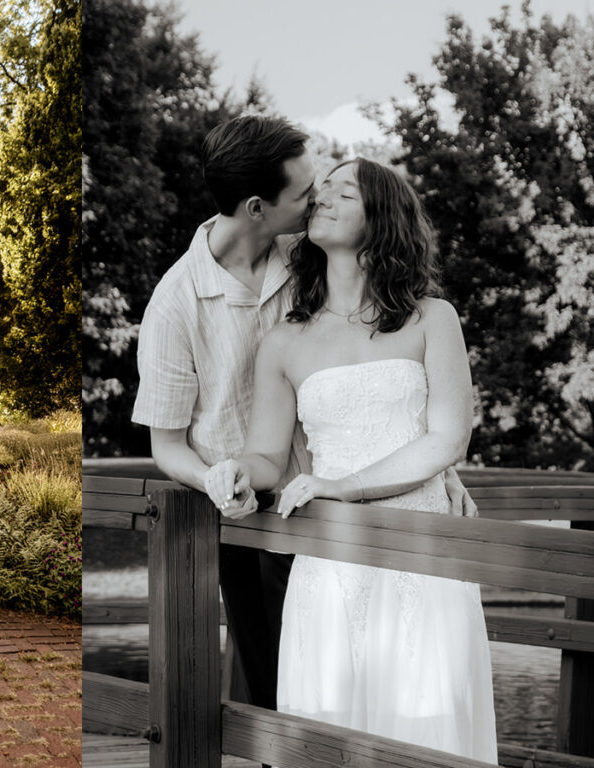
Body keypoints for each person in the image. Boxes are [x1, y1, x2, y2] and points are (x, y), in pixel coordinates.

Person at [205, 158, 497, 761]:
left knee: (424, 721)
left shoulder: (432, 319)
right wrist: (238, 472)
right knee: (327, 725)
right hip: (331, 564)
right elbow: (267, 453)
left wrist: (342, 485)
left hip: (422, 554)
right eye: (323, 192)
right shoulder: (285, 339)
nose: (324, 200)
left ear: (382, 217)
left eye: (345, 192)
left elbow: (447, 440)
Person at [132, 114, 317, 709]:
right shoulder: (175, 303)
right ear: (258, 206)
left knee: (339, 686)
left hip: (329, 501)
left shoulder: (311, 260)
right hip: (248, 520)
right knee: (275, 687)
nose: (316, 200)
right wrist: (212, 479)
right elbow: (167, 446)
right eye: (304, 193)